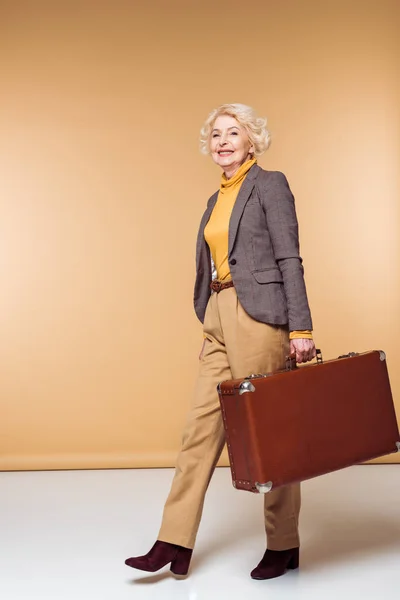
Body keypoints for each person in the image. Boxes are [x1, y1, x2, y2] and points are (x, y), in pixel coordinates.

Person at [125, 103, 316, 580]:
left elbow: (289, 258)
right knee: (199, 431)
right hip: (218, 314)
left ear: (251, 141)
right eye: (216, 134)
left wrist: (301, 329)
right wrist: (212, 324)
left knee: (268, 434)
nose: (224, 141)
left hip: (260, 319)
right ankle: (174, 540)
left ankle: (284, 544)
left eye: (234, 133)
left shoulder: (269, 185)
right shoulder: (215, 200)